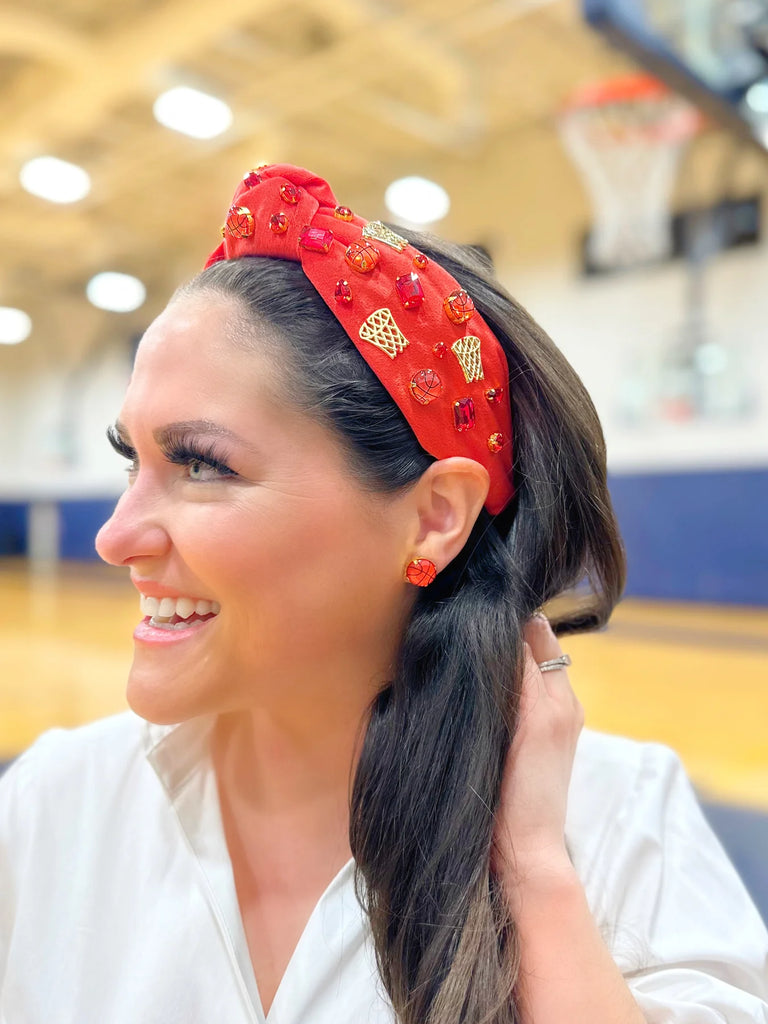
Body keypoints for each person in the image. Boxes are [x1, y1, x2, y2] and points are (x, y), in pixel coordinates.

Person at [0, 163, 766, 1024]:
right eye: (131, 460)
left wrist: (533, 871)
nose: (113, 537)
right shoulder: (54, 802)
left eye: (201, 465)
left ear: (435, 518)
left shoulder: (621, 826)